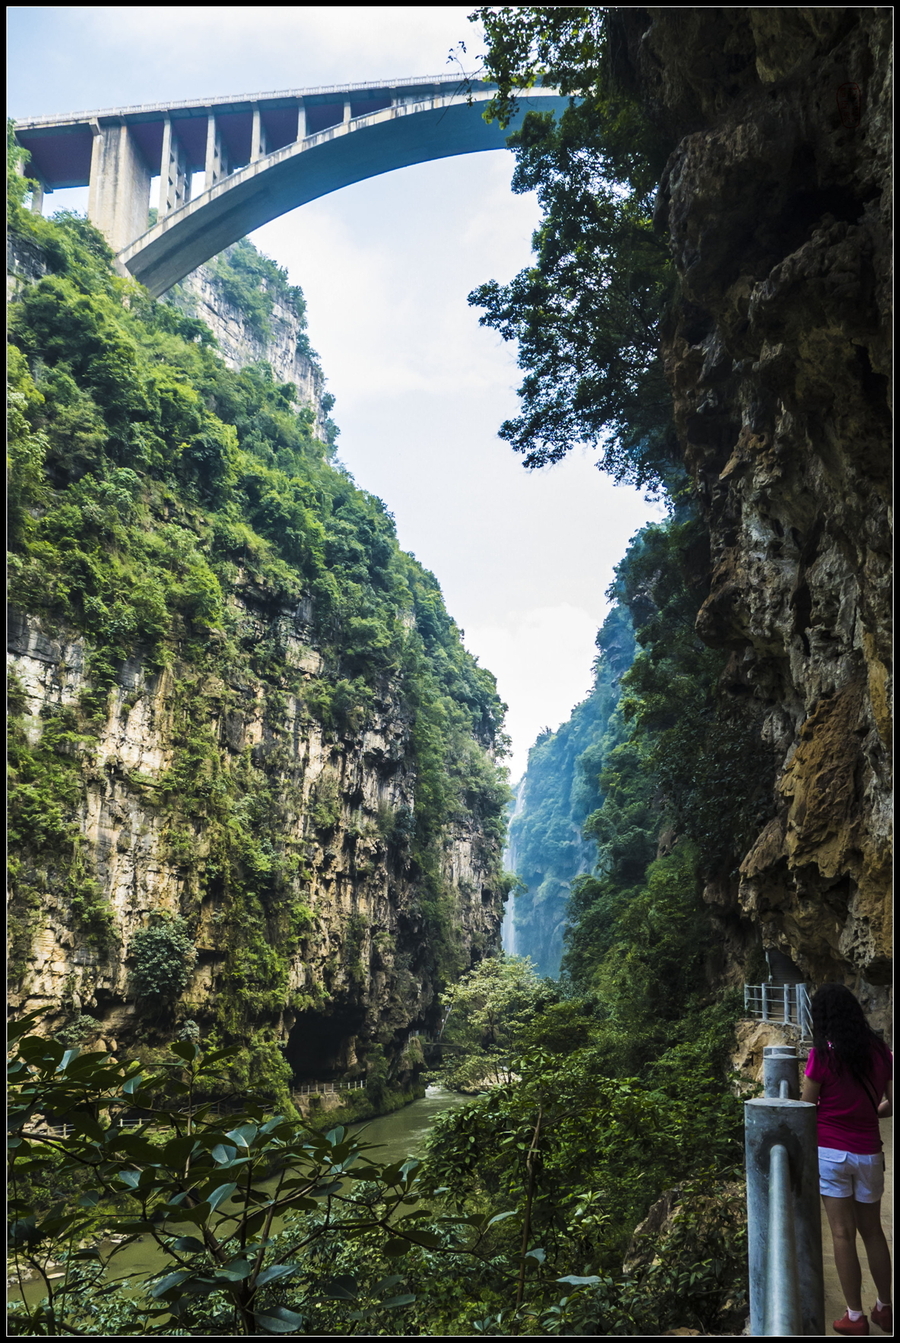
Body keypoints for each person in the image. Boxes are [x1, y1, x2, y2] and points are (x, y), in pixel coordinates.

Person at [800, 982, 893, 1336]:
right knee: (873, 1232)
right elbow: (891, 1105)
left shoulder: (822, 1056)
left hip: (832, 1154)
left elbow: (807, 1108)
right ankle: (885, 1308)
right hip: (869, 1152)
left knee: (842, 1234)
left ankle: (854, 1317)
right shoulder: (881, 1051)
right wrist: (868, 1114)